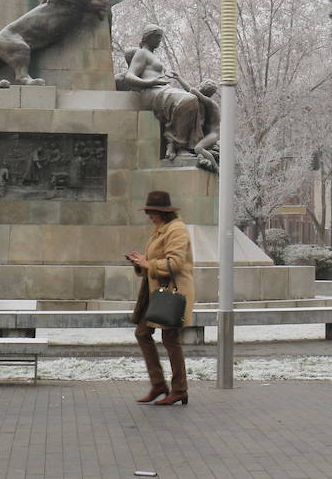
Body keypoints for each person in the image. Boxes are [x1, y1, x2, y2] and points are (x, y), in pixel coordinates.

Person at [127, 190, 195, 406]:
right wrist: (141, 262)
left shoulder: (177, 230)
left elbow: (175, 263)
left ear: (161, 212)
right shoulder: (160, 229)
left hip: (171, 293)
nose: (149, 217)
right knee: (142, 332)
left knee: (170, 339)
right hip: (154, 292)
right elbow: (156, 261)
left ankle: (179, 389)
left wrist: (149, 264)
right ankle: (159, 384)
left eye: (151, 213)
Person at [119, 26, 203, 161]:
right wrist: (150, 82)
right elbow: (129, 76)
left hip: (162, 90)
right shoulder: (142, 53)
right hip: (150, 92)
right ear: (148, 37)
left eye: (160, 37)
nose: (159, 40)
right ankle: (177, 146)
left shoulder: (152, 55)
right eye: (157, 37)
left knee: (194, 100)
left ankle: (185, 146)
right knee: (188, 100)